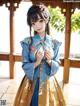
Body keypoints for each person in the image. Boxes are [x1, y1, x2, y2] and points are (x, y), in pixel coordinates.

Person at [14, 3, 66, 106]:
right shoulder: (27, 43)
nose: (37, 25)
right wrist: (37, 62)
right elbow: (24, 65)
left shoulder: (54, 43)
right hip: (31, 83)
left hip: (49, 84)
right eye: (33, 23)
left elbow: (57, 65)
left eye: (40, 21)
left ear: (46, 20)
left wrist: (50, 61)